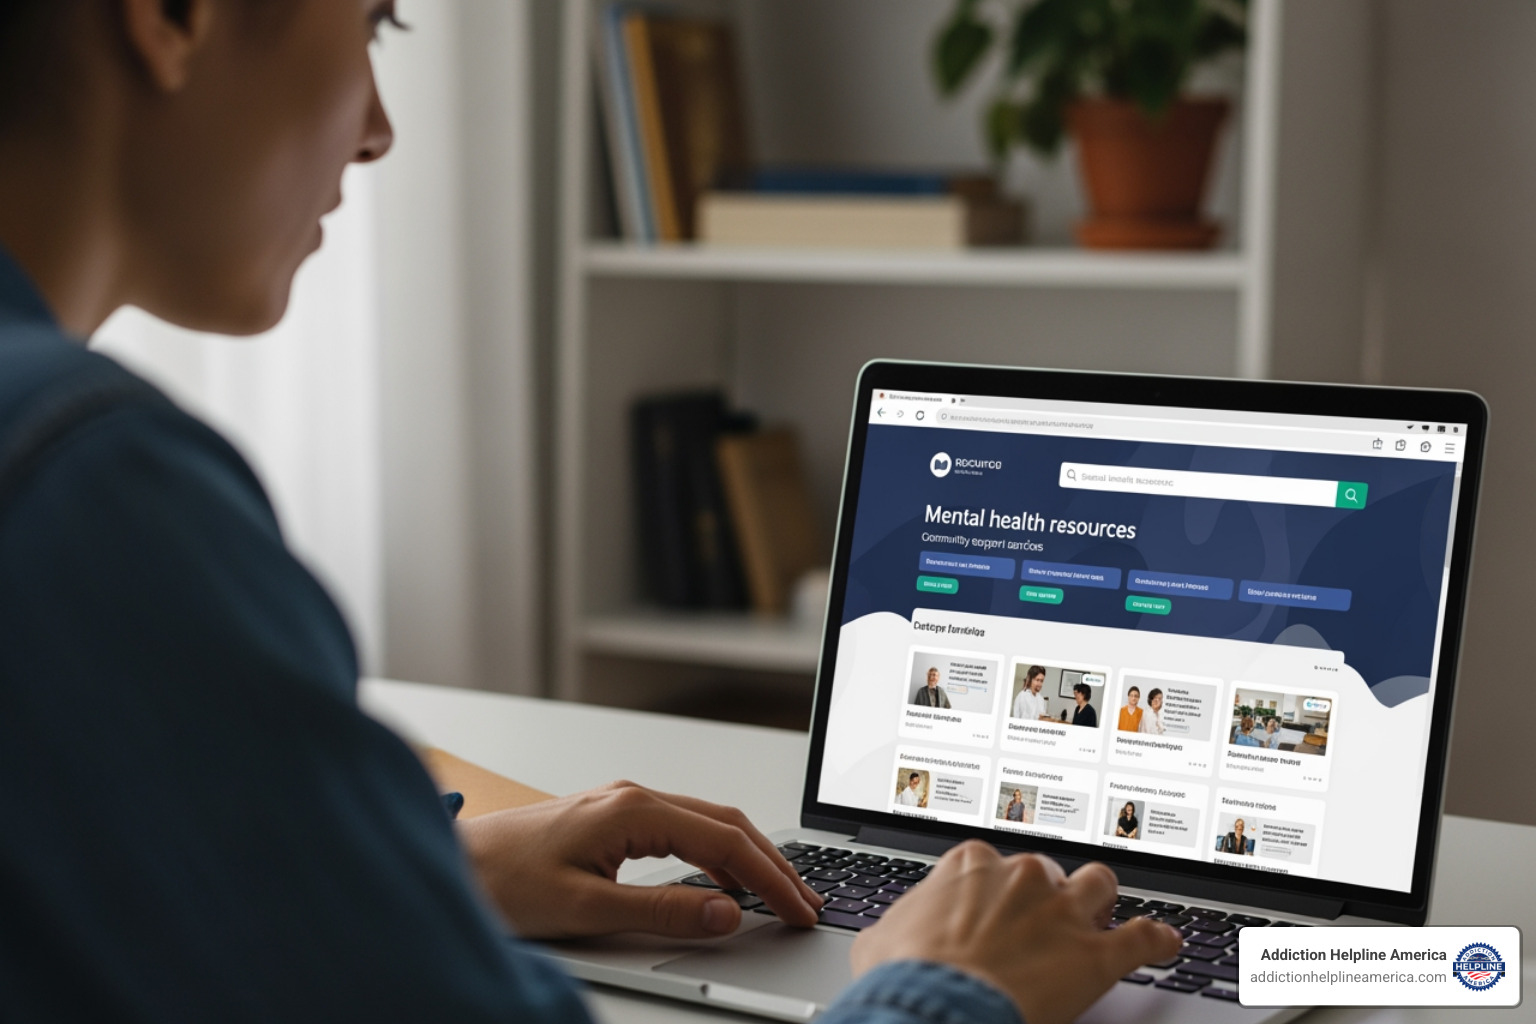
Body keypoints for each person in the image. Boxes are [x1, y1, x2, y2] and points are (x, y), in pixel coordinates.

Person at [0, 3, 1181, 1021]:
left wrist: (429, 873)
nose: (378, 129)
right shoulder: (87, 487)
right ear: (172, 14)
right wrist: (948, 984)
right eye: (369, 24)